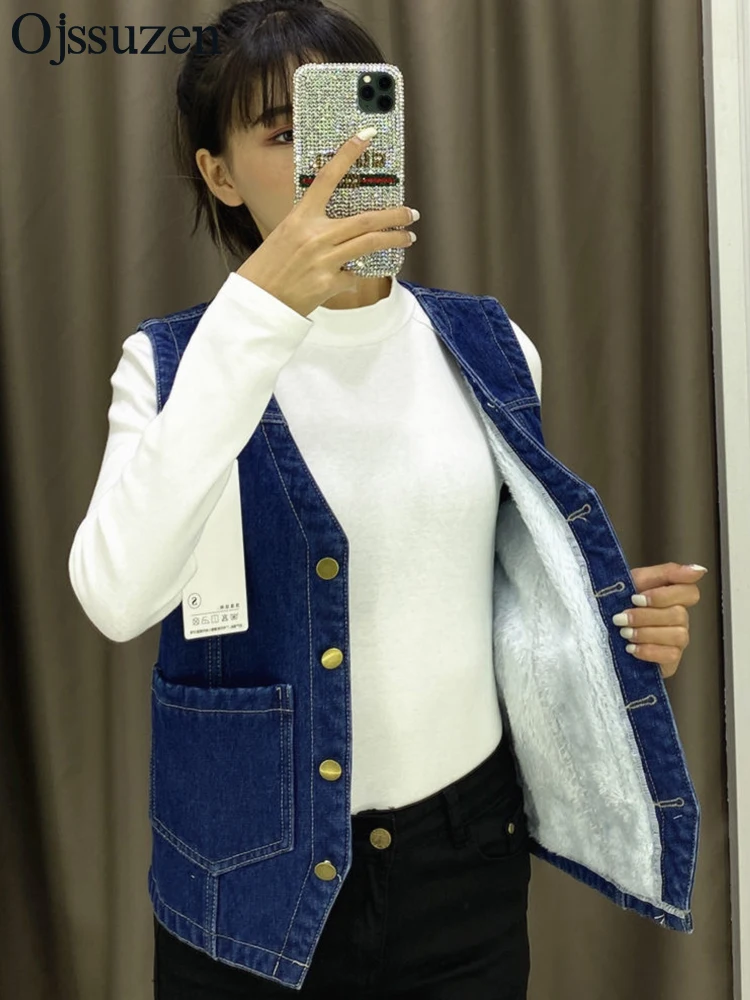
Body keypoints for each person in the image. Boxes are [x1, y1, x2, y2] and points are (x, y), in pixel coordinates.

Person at [68, 1, 702, 997]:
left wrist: (610, 630)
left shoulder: (491, 345)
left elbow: (487, 595)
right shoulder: (171, 365)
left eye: (357, 120)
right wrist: (259, 314)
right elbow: (116, 596)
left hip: (464, 862)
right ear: (220, 175)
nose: (335, 158)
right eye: (287, 132)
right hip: (248, 879)